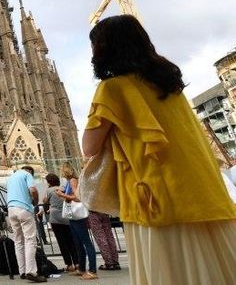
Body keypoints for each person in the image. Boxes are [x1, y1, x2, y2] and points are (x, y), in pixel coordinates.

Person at [82, 15, 236, 285]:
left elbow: (89, 146)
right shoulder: (170, 86)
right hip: (203, 194)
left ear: (105, 49)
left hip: (156, 197)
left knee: (170, 273)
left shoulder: (113, 88)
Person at [56, 162, 97, 280]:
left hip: (77, 215)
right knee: (78, 243)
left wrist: (62, 195)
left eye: (62, 170)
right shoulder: (70, 181)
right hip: (72, 216)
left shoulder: (73, 180)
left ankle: (93, 270)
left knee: (85, 242)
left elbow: (77, 197)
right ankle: (82, 269)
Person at [6, 165, 46, 283]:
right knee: (30, 240)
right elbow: (33, 190)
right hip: (23, 208)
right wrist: (35, 201)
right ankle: (31, 272)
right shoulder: (27, 174)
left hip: (11, 209)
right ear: (30, 172)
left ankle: (22, 271)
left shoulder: (11, 177)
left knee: (18, 241)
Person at [43, 173, 78, 273]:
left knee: (61, 242)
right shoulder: (63, 188)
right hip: (66, 215)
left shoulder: (49, 190)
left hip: (55, 218)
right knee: (71, 240)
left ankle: (69, 265)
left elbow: (44, 201)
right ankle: (77, 262)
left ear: (49, 182)